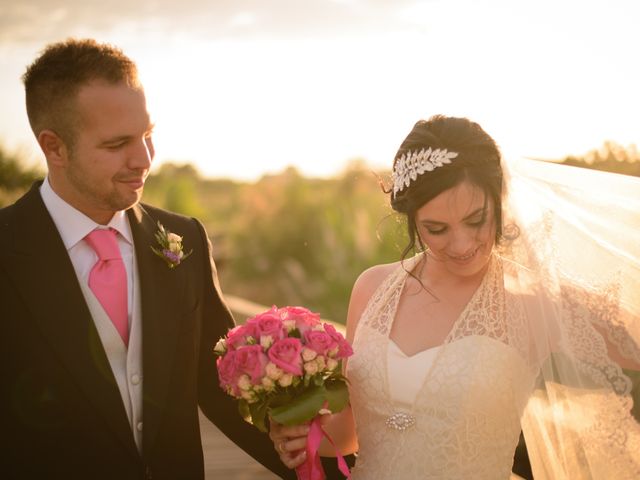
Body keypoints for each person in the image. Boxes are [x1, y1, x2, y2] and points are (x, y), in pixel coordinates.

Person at [270, 115, 640, 478]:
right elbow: (354, 430)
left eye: (476, 219)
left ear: (501, 201)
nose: (462, 245)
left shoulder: (533, 300)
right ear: (413, 219)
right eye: (437, 228)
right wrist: (307, 438)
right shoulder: (371, 289)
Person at [0, 38, 295, 480]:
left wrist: (312, 467)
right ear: (54, 148)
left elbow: (223, 382)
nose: (144, 159)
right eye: (117, 143)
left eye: (147, 134)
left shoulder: (185, 239)